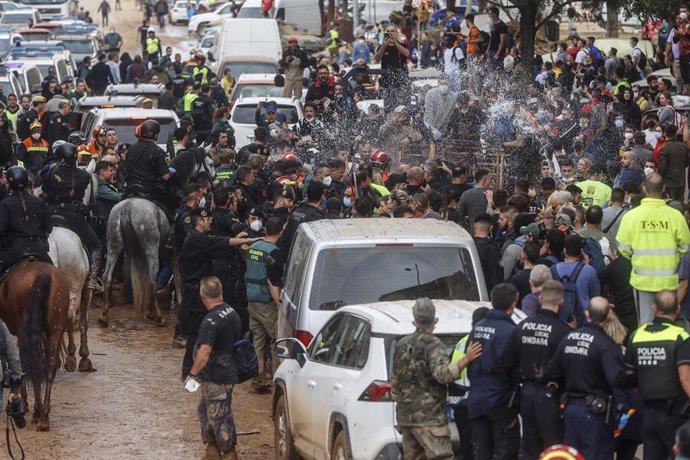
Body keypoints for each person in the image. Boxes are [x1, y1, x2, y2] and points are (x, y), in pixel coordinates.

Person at [392, 297, 482, 459]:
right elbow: (443, 375)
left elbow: (395, 383)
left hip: (406, 418)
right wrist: (466, 359)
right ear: (435, 320)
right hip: (430, 419)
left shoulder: (401, 344)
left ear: (414, 321)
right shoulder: (434, 345)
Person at [545, 297, 634, 460]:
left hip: (570, 411)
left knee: (572, 456)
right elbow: (617, 380)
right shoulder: (606, 344)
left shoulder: (569, 338)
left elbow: (552, 371)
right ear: (608, 315)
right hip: (595, 416)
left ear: (587, 313)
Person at [178, 207, 258, 378]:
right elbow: (219, 243)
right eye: (207, 219)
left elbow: (217, 243)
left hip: (196, 292)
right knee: (195, 334)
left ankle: (197, 368)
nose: (211, 221)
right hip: (195, 295)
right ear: (200, 221)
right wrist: (252, 240)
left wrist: (234, 239)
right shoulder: (196, 238)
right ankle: (189, 372)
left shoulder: (197, 237)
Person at [502, 280, 570, 459]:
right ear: (561, 302)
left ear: (540, 299)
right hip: (551, 396)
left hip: (526, 394)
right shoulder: (563, 332)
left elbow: (506, 362)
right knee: (553, 448)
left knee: (530, 447)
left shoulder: (522, 327)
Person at [625, 290, 690, 460]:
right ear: (677, 308)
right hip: (675, 413)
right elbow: (685, 379)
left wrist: (646, 395)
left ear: (654, 308)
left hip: (648, 413)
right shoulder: (681, 336)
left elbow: (629, 375)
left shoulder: (637, 335)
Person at [617, 174, 690, 324]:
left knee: (645, 324)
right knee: (667, 323)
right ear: (663, 189)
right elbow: (685, 247)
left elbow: (623, 248)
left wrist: (637, 257)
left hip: (642, 281)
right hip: (668, 281)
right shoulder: (676, 216)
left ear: (644, 189)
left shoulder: (631, 216)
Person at [185, 276, 241, 460]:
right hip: (224, 372)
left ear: (202, 296)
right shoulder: (231, 311)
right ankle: (212, 449)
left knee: (219, 415)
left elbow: (205, 352)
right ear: (221, 292)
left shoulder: (211, 321)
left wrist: (192, 374)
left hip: (218, 376)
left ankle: (229, 453)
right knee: (205, 409)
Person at [466, 283, 521, 460]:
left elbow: (471, 362)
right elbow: (514, 368)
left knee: (481, 453)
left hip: (477, 401)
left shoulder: (477, 327)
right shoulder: (510, 332)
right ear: (513, 304)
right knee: (506, 452)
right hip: (501, 403)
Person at [41, 143, 101, 289]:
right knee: (96, 246)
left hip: (51, 214)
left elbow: (45, 193)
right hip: (73, 216)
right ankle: (93, 278)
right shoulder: (84, 175)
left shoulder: (50, 172)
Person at [244, 217, 284, 388]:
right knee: (276, 339)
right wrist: (280, 305)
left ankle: (259, 374)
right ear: (281, 232)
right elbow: (272, 283)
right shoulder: (274, 252)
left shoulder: (252, 248)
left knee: (258, 339)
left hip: (251, 299)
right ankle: (276, 377)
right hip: (267, 303)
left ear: (265, 230)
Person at [0, 166, 52, 272]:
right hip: (38, 249)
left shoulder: (5, 204)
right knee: (54, 273)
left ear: (9, 184)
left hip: (13, 251)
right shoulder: (39, 202)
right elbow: (49, 227)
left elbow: (1, 230)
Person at [120, 120, 178, 212]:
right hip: (150, 191)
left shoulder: (131, 148)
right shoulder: (158, 151)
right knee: (171, 209)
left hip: (131, 188)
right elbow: (165, 176)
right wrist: (172, 171)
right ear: (155, 135)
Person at [374, 23, 410, 113]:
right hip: (387, 83)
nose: (390, 33)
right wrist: (384, 46)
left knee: (401, 109)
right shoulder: (382, 47)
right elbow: (376, 59)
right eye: (388, 31)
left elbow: (407, 53)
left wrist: (396, 43)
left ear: (397, 32)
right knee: (388, 109)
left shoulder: (402, 45)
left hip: (401, 83)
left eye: (392, 31)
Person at [16, 120, 49, 185]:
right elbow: (19, 159)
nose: (36, 133)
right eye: (34, 131)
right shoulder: (25, 143)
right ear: (31, 132)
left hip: (42, 173)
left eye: (38, 130)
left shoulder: (45, 143)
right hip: (30, 172)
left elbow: (47, 158)